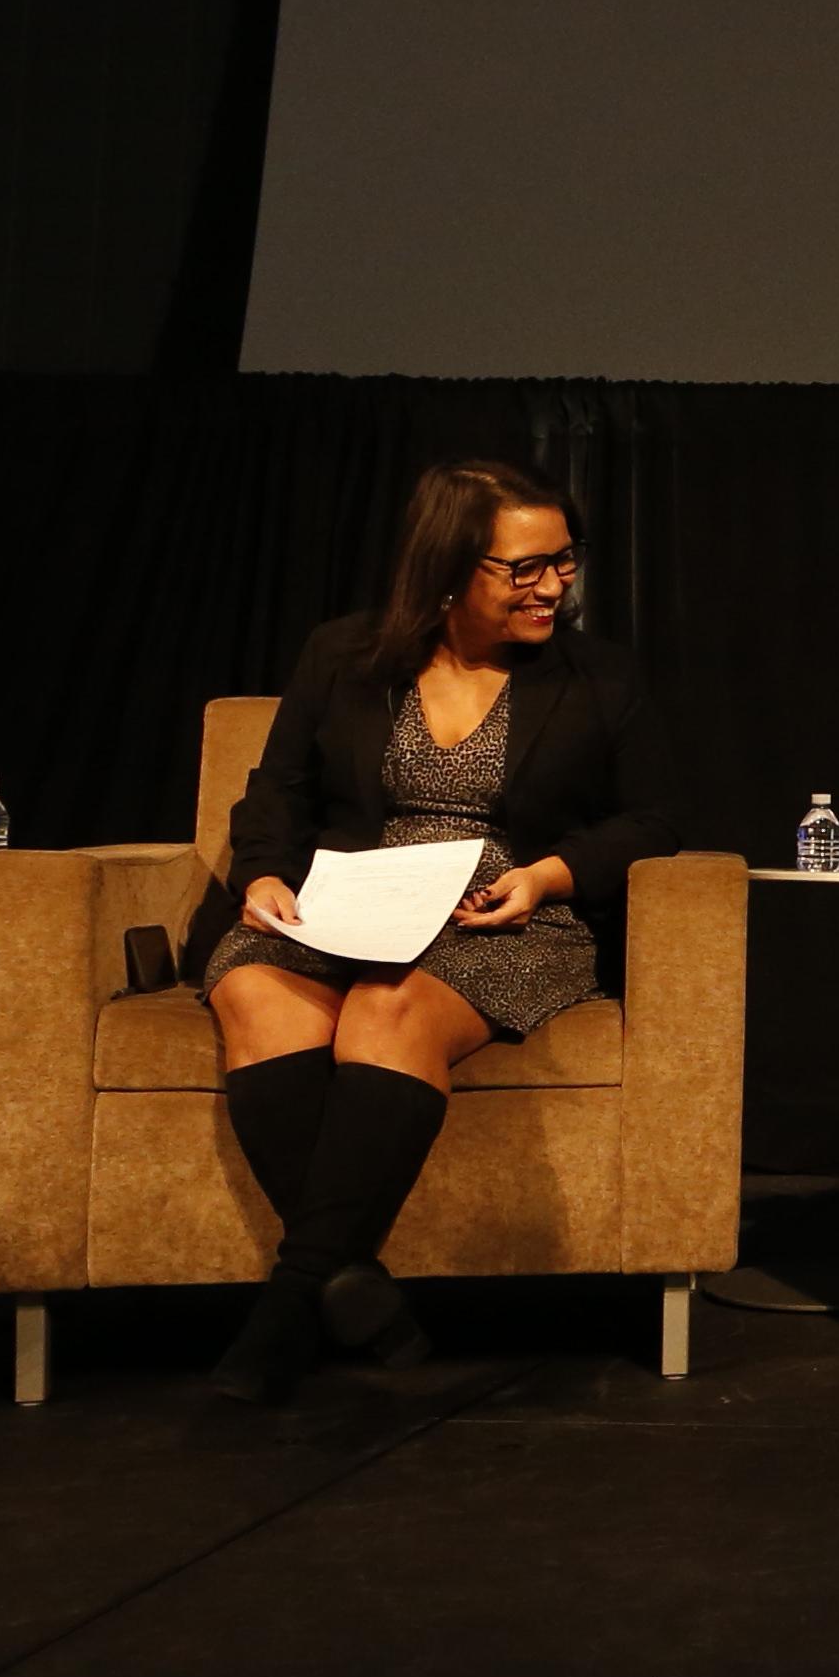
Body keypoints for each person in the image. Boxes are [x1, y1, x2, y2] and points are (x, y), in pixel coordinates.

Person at [199, 460, 681, 1406]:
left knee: (387, 1008)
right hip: (344, 896)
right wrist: (262, 873)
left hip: (497, 911)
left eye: (565, 561)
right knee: (253, 989)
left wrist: (546, 876)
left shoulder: (600, 676)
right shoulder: (343, 655)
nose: (554, 585)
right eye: (525, 568)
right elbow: (278, 793)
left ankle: (292, 1306)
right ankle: (347, 1283)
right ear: (452, 569)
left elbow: (655, 820)